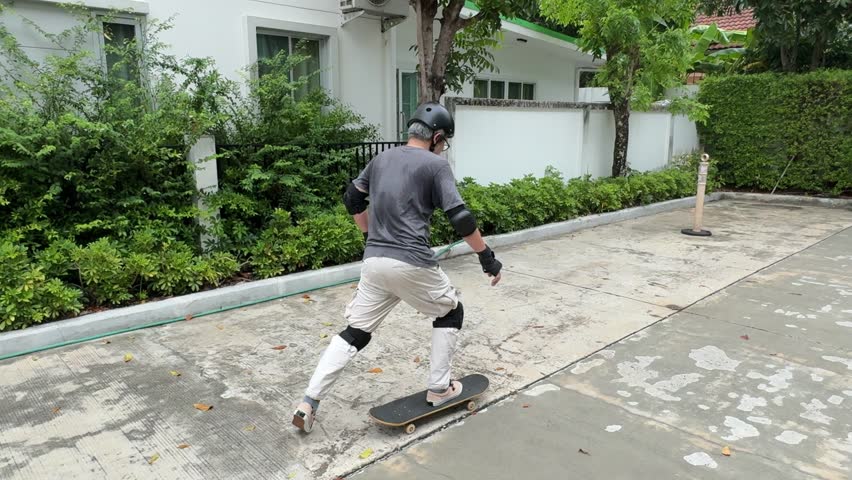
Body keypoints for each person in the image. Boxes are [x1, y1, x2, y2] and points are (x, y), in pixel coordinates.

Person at [292, 102, 503, 433]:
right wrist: (486, 256)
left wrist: (368, 237)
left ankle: (308, 402)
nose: (443, 147)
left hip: (375, 263)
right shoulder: (435, 165)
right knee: (450, 311)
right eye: (444, 141)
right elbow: (461, 217)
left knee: (355, 332)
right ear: (435, 136)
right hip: (412, 263)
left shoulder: (381, 159)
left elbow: (352, 199)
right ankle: (439, 389)